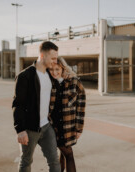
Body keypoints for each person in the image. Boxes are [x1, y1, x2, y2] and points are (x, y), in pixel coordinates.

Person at [12, 41, 61, 172]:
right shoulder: (25, 76)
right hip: (30, 128)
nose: (55, 61)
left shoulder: (50, 76)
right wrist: (20, 130)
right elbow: (18, 104)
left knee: (54, 161)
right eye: (53, 58)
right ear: (42, 55)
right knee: (26, 161)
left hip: (46, 126)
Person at [49, 57, 86, 172]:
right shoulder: (49, 83)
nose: (54, 72)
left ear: (63, 68)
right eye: (51, 69)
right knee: (65, 153)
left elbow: (81, 107)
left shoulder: (74, 82)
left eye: (57, 69)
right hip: (52, 126)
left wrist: (79, 129)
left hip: (68, 127)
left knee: (67, 154)